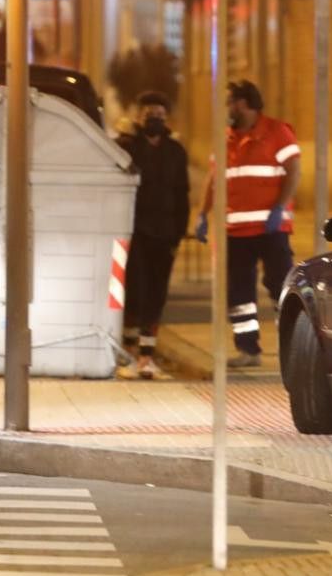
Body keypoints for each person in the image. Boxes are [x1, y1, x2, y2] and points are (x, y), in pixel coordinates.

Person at [195, 80, 300, 370]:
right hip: (236, 231)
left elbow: (294, 171)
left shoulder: (277, 132)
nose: (226, 108)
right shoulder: (225, 138)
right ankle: (248, 349)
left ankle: (292, 347)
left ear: (243, 104)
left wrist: (280, 207)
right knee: (239, 294)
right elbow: (214, 179)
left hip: (271, 228)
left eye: (229, 102)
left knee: (280, 286)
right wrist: (203, 214)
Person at [115, 91, 189, 379]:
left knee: (156, 297)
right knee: (134, 294)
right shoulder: (126, 148)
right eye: (148, 114)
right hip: (134, 233)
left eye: (159, 115)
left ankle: (148, 357)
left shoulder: (175, 152)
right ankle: (130, 354)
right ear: (138, 117)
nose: (154, 119)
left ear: (166, 119)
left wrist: (178, 234)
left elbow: (182, 195)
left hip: (164, 236)